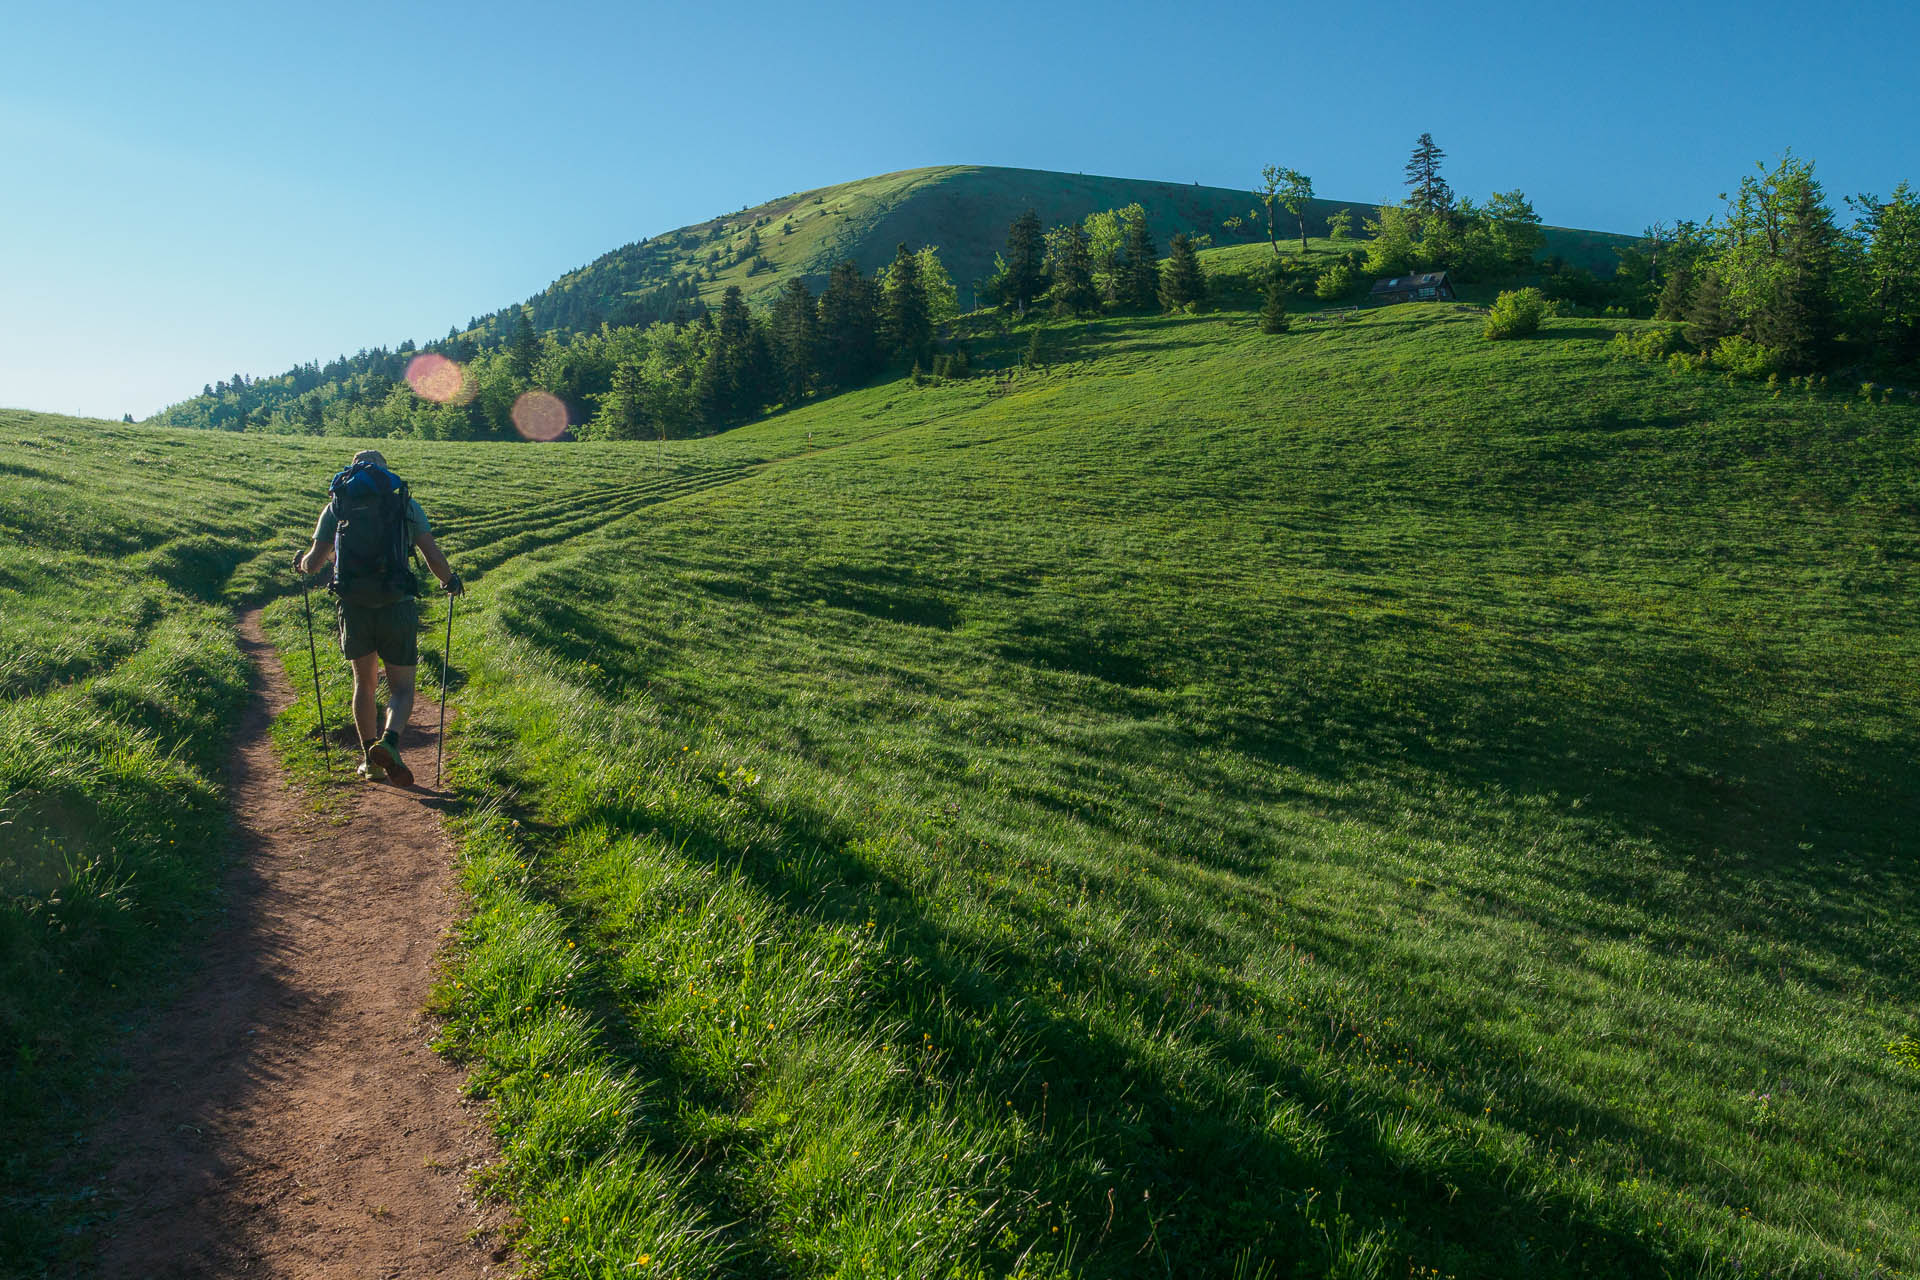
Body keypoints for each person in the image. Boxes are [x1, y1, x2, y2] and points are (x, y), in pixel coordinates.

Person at [295, 450, 462, 786]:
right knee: (402, 687)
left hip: (354, 605)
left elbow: (314, 563)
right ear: (385, 474)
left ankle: (370, 760)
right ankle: (390, 741)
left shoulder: (337, 506)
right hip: (396, 603)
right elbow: (431, 554)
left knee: (364, 684)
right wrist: (449, 581)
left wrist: (300, 563)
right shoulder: (403, 505)